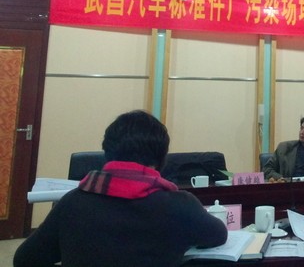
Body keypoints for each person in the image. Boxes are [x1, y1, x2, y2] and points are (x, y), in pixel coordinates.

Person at [14, 110, 228, 267]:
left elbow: (25, 259)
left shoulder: (72, 202)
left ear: (107, 153)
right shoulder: (179, 204)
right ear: (161, 159)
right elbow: (218, 235)